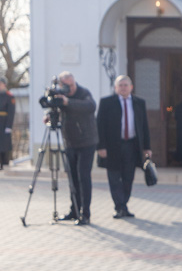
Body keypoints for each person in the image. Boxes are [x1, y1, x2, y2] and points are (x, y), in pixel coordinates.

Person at [97, 75, 152, 219]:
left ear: (131, 87)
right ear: (115, 88)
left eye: (125, 85)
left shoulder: (139, 102)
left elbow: (144, 126)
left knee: (128, 177)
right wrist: (101, 147)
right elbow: (100, 126)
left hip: (132, 146)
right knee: (114, 178)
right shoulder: (107, 102)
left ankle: (124, 204)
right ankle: (119, 206)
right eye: (120, 85)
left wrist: (147, 147)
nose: (123, 88)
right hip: (112, 146)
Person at [51, 72, 98, 225]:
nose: (69, 88)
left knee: (83, 176)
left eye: (71, 85)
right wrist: (51, 115)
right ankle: (74, 210)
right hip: (70, 142)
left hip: (86, 142)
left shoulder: (84, 93)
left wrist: (68, 102)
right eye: (65, 86)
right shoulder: (59, 95)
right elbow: (59, 112)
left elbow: (90, 106)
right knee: (72, 178)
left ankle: (85, 213)